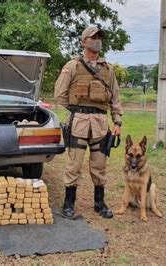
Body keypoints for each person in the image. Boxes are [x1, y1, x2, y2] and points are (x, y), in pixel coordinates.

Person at [54, 25, 123, 219]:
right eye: (93, 37)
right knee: (74, 164)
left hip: (101, 122)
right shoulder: (73, 66)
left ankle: (99, 203)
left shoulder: (108, 70)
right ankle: (68, 204)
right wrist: (75, 109)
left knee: (99, 165)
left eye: (99, 37)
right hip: (80, 121)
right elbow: (60, 93)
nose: (97, 41)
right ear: (84, 41)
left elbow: (115, 98)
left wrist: (117, 122)